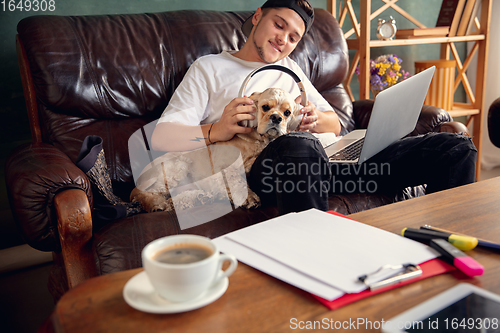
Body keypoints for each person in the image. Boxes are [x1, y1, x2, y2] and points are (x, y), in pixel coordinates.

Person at [151, 0, 477, 215]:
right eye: (279, 26)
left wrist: (314, 118)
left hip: (332, 166)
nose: (284, 40)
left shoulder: (293, 69)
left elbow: (335, 125)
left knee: (455, 148)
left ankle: (448, 253)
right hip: (270, 169)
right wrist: (216, 130)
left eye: (293, 37)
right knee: (296, 145)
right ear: (257, 17)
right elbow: (163, 138)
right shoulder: (209, 68)